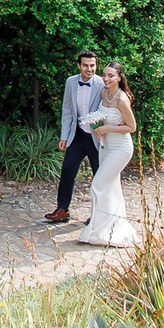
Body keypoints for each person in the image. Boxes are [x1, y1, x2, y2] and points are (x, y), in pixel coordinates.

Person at [76, 64, 139, 247]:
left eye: (111, 75)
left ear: (119, 77)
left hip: (120, 148)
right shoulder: (104, 93)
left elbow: (132, 127)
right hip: (106, 146)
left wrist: (106, 128)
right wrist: (97, 126)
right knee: (111, 188)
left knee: (98, 184)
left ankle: (97, 229)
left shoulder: (121, 99)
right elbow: (102, 115)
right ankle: (111, 227)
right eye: (104, 75)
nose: (106, 79)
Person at [47, 49, 107, 224]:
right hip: (77, 135)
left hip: (96, 137)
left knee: (99, 176)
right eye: (86, 65)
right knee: (67, 170)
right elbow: (67, 110)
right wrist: (64, 136)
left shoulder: (102, 83)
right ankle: (62, 209)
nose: (90, 69)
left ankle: (98, 214)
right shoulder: (71, 82)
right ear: (79, 66)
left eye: (93, 65)